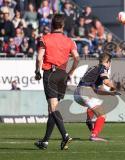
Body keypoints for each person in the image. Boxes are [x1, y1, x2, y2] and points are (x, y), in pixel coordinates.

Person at [34, 14, 80, 150]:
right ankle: (45, 141)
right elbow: (77, 58)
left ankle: (65, 136)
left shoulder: (45, 38)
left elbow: (39, 58)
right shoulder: (69, 41)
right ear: (63, 26)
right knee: (52, 110)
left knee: (53, 109)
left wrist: (37, 71)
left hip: (51, 74)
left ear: (51, 25)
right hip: (62, 75)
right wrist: (70, 72)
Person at [74, 53, 119, 142]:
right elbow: (106, 81)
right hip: (86, 92)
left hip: (77, 94)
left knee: (96, 103)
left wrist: (110, 93)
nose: (110, 65)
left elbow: (97, 91)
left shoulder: (94, 68)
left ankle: (89, 120)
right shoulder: (102, 68)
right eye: (110, 63)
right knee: (102, 115)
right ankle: (94, 135)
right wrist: (114, 87)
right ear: (108, 62)